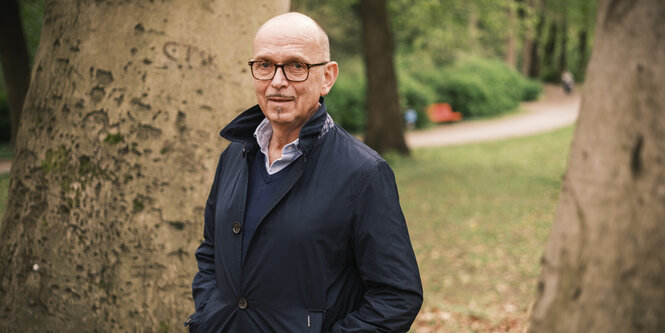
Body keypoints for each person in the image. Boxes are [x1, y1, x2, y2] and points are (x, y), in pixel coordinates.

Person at [185, 12, 423, 332]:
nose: (277, 81)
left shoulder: (364, 173)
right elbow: (211, 251)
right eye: (265, 65)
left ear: (327, 77)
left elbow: (397, 296)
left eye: (296, 66)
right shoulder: (235, 154)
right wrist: (210, 314)